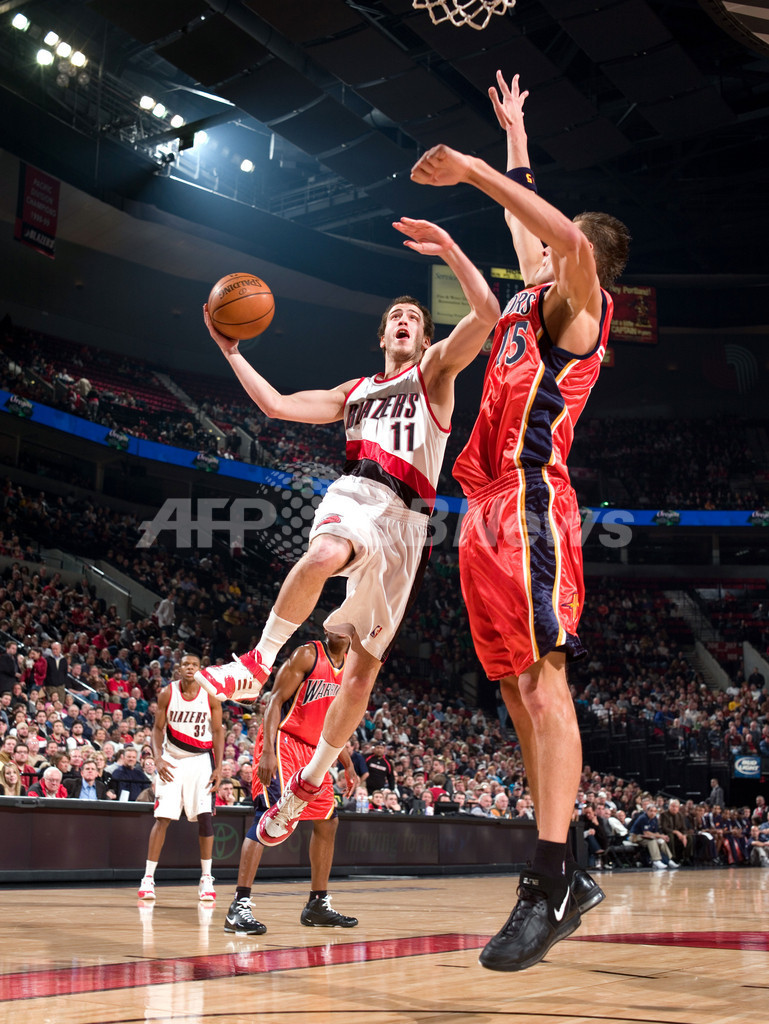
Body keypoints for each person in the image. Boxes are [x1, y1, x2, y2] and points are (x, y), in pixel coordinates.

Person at [410, 70, 630, 973]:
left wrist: (471, 167)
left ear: (583, 266)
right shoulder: (521, 303)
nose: (535, 241)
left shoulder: (580, 311)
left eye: (553, 240)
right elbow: (526, 220)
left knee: (544, 686)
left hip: (533, 500)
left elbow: (559, 235)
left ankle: (551, 880)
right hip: (483, 509)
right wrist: (514, 140)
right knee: (511, 691)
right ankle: (562, 868)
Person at [195, 217, 499, 843]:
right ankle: (259, 660)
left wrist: (448, 247)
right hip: (357, 493)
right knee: (324, 551)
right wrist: (231, 351)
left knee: (361, 671)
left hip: (406, 525)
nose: (404, 321)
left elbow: (488, 313)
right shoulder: (354, 390)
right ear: (382, 334)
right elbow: (276, 405)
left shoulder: (435, 372)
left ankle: (307, 785)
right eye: (396, 317)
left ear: (426, 336)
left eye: (414, 317)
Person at [223, 633, 359, 934]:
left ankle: (317, 905)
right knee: (268, 816)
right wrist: (267, 751)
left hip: (316, 749)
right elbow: (274, 700)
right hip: (284, 740)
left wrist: (347, 763)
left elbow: (336, 722)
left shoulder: (351, 666)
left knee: (328, 821)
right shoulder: (307, 655)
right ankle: (238, 906)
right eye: (332, 624)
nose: (337, 630)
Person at [138, 654, 224, 902]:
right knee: (163, 818)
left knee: (205, 818)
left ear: (200, 670)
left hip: (201, 760)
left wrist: (219, 767)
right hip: (172, 759)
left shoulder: (210, 694)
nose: (190, 668)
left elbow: (218, 731)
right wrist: (157, 758)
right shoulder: (168, 692)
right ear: (179, 669)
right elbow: (157, 729)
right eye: (186, 664)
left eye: (194, 665)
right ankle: (148, 878)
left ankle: (206, 878)